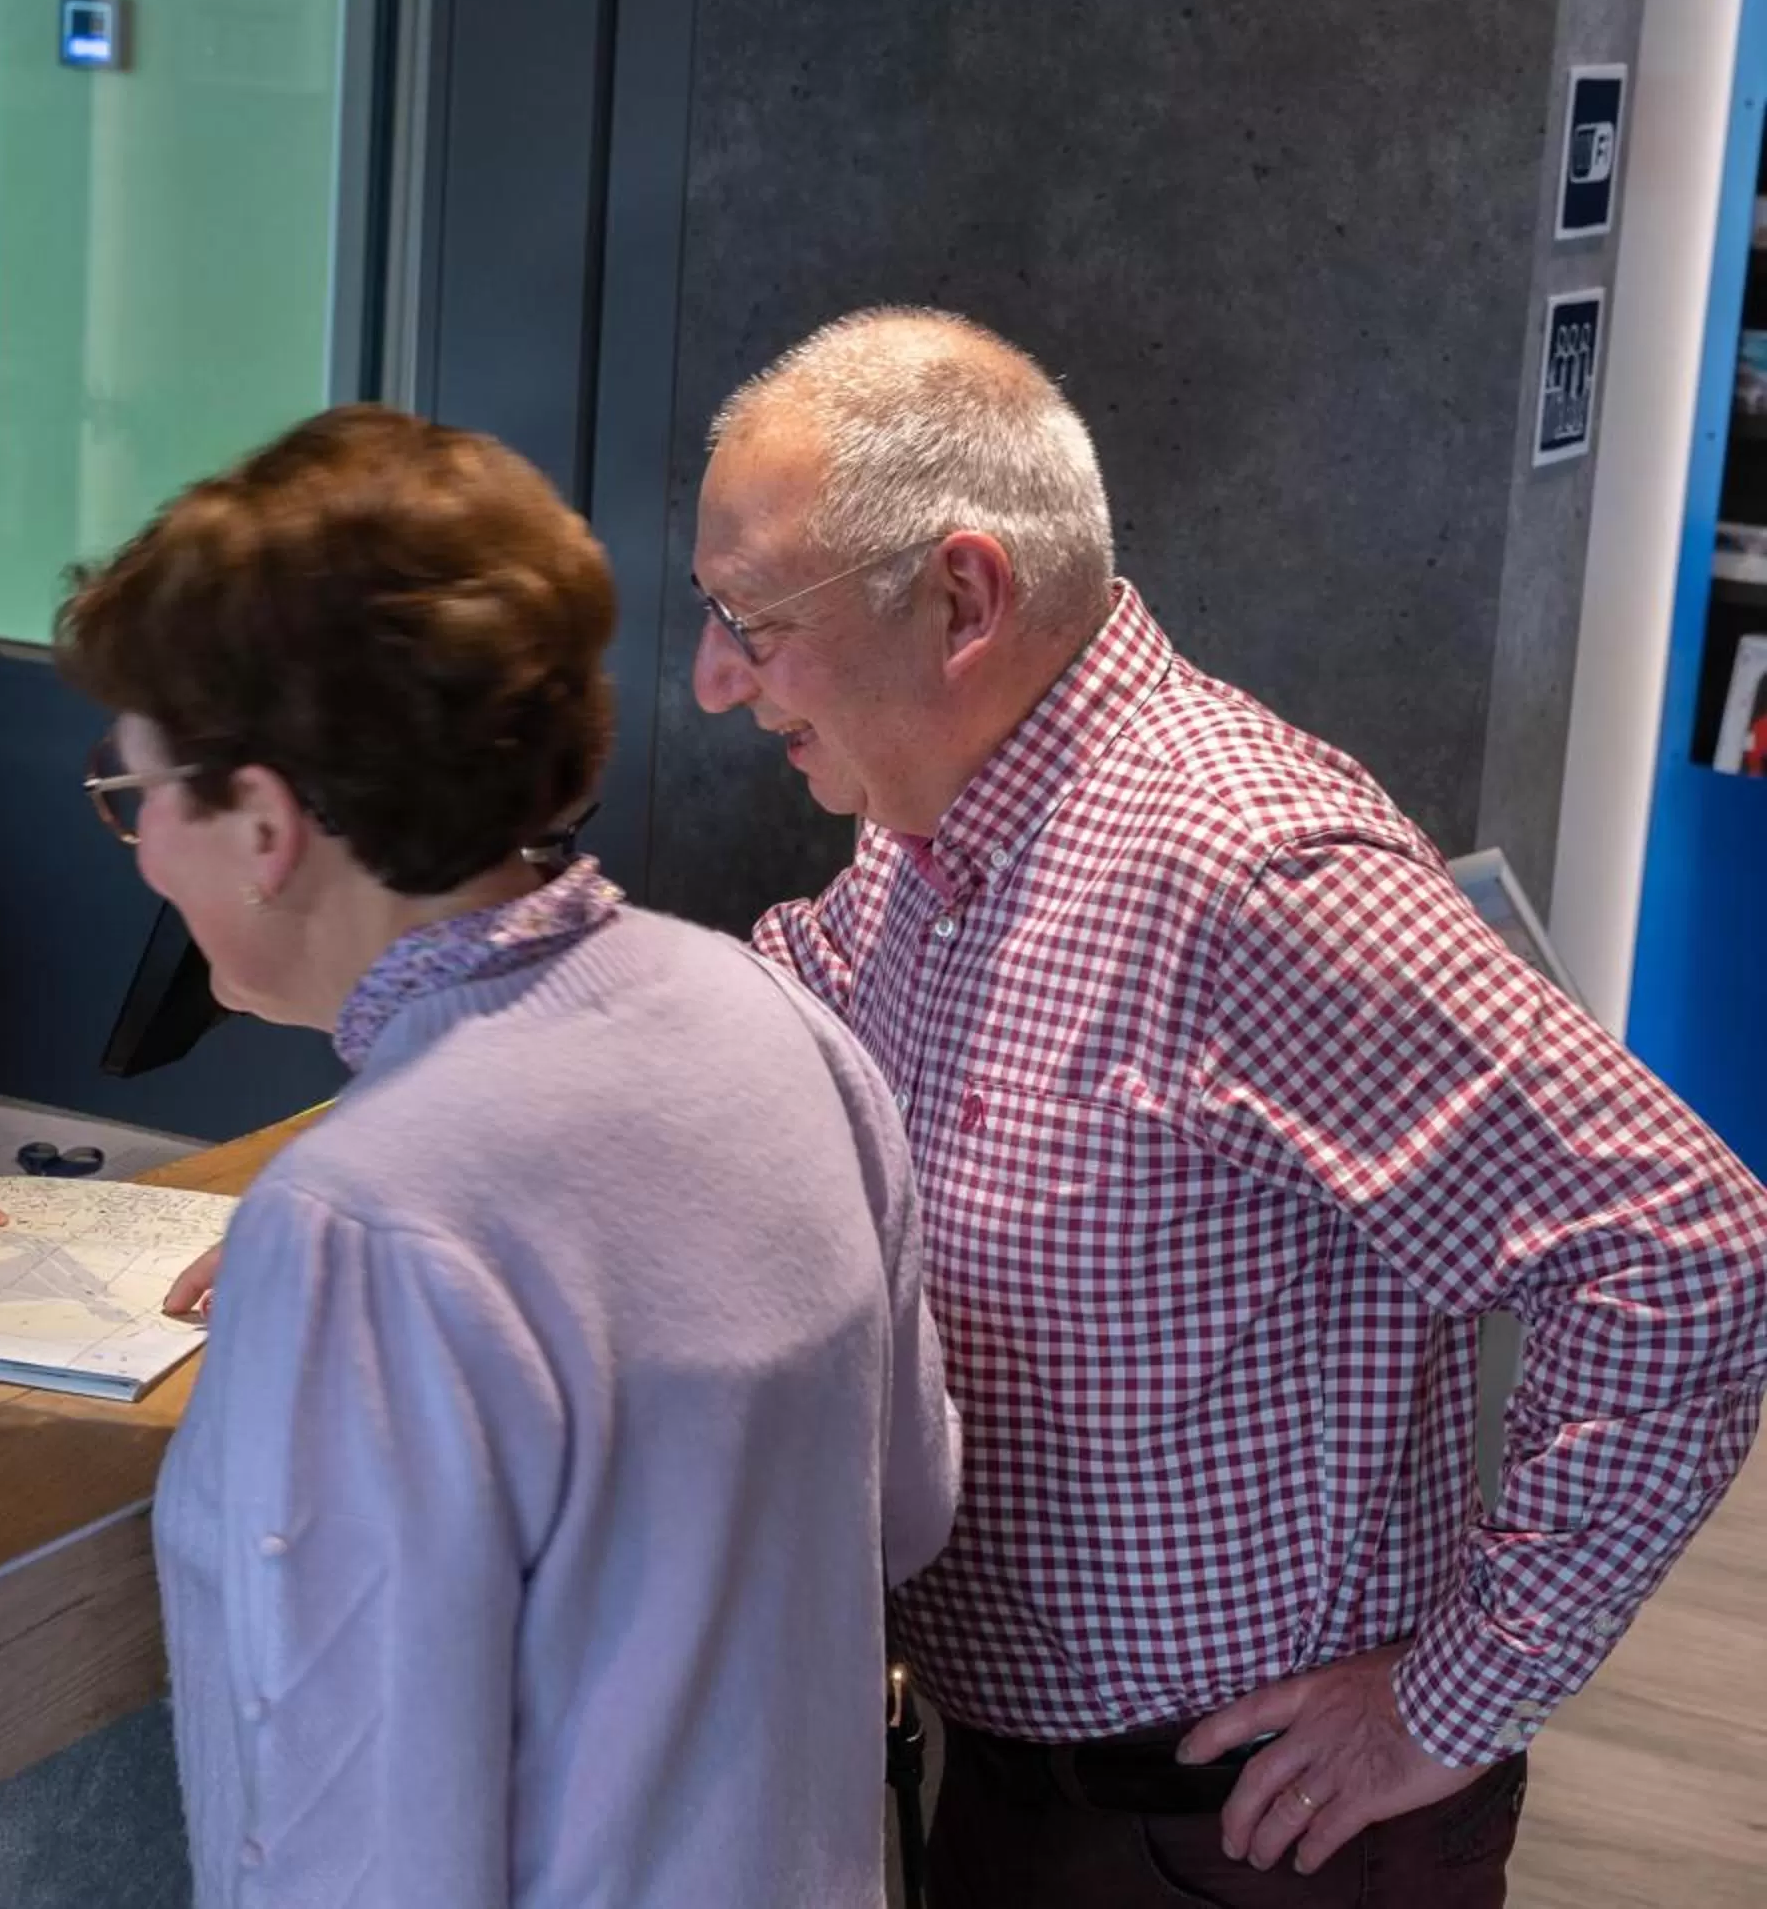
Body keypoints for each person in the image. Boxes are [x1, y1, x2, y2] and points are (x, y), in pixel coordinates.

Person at [694, 306, 1767, 1906]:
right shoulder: (936, 823)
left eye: (752, 616)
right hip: (1023, 1787)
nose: (717, 681)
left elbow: (1682, 1251)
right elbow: (795, 998)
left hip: (1240, 1837)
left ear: (963, 599)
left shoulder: (1244, 870)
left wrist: (1453, 1700)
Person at [57, 403, 958, 1906]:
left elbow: (347, 1859)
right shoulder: (777, 1018)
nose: (142, 847)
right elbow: (910, 1506)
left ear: (268, 824)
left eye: (137, 794)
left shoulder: (359, 1222)